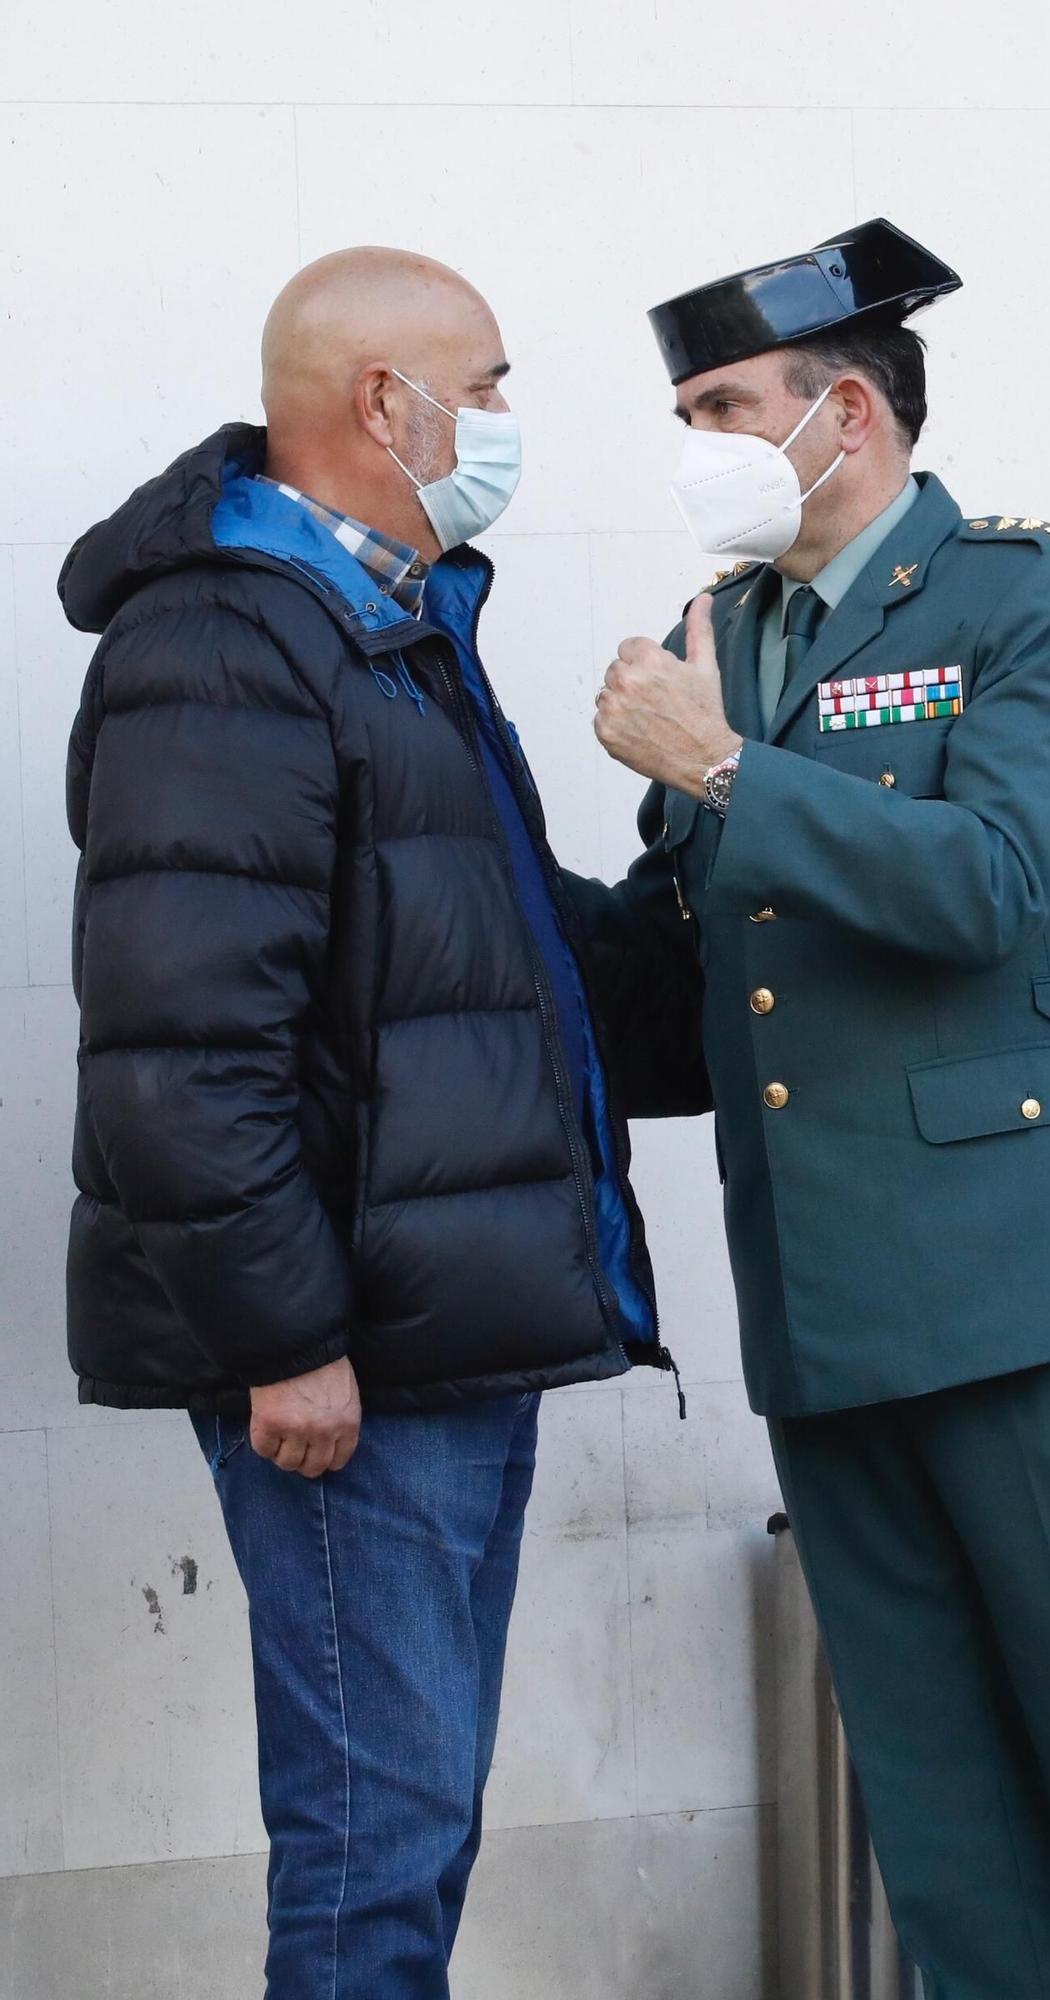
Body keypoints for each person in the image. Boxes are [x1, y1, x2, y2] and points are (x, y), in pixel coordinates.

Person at [576, 218, 1050, 1997]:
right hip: (830, 1296)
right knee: (945, 1805)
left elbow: (987, 890)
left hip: (1026, 1282)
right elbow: (701, 953)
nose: (702, 446)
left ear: (846, 407)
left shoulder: (1030, 594)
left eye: (727, 403)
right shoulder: (724, 635)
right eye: (684, 409)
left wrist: (725, 765)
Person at [59, 246, 691, 2000]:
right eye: (484, 387)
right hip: (350, 1369)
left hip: (435, 1342)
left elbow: (504, 966)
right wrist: (285, 1341)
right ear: (379, 404)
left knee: (408, 1820)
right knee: (375, 1834)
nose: (502, 422)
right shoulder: (226, 637)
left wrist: (723, 809)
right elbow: (181, 1052)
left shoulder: (389, 627)